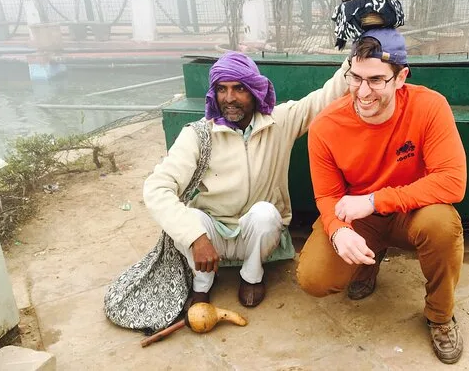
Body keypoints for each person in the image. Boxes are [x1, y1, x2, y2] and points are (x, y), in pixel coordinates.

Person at [296, 28, 467, 364]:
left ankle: (440, 315)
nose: (363, 91)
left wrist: (375, 200)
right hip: (361, 218)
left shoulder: (430, 106)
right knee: (314, 278)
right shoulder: (326, 126)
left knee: (442, 224)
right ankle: (368, 262)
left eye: (376, 80)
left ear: (400, 77)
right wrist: (338, 231)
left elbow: (452, 182)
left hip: (414, 211)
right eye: (355, 77)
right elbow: (327, 195)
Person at [143, 51, 348, 309]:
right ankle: (202, 282)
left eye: (239, 88)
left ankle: (252, 275)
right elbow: (156, 187)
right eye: (222, 89)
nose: (229, 98)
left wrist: (355, 59)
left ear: (255, 90)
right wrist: (196, 237)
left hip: (255, 235)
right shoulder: (198, 134)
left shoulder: (279, 122)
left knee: (266, 214)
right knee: (189, 220)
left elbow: (327, 96)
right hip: (212, 234)